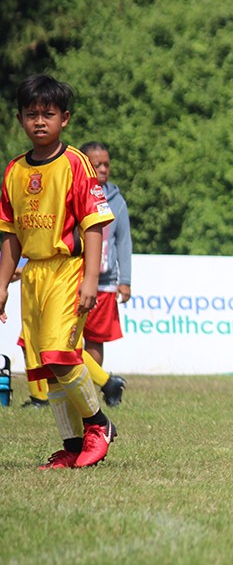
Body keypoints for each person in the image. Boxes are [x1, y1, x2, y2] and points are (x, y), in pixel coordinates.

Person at [0, 74, 118, 468]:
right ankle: (71, 446)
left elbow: (95, 224)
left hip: (68, 269)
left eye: (47, 114)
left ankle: (99, 425)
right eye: (31, 114)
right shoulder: (14, 171)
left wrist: (89, 280)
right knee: (46, 368)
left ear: (64, 119)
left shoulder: (75, 164)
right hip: (33, 276)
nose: (39, 121)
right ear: (20, 119)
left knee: (61, 353)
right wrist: (2, 284)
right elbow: (10, 235)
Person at [78, 141, 130, 407]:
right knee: (67, 339)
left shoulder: (117, 201)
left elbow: (123, 242)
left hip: (106, 283)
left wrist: (125, 281)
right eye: (96, 164)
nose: (103, 169)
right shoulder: (73, 193)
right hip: (74, 278)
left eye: (106, 164)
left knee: (95, 340)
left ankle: (91, 388)